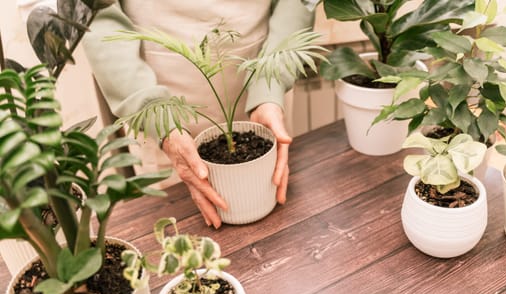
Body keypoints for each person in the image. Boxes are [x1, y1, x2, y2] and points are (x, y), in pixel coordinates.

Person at [18, 0, 316, 229]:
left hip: (265, 90)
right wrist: (155, 116)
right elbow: (99, 14)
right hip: (162, 112)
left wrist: (270, 88)